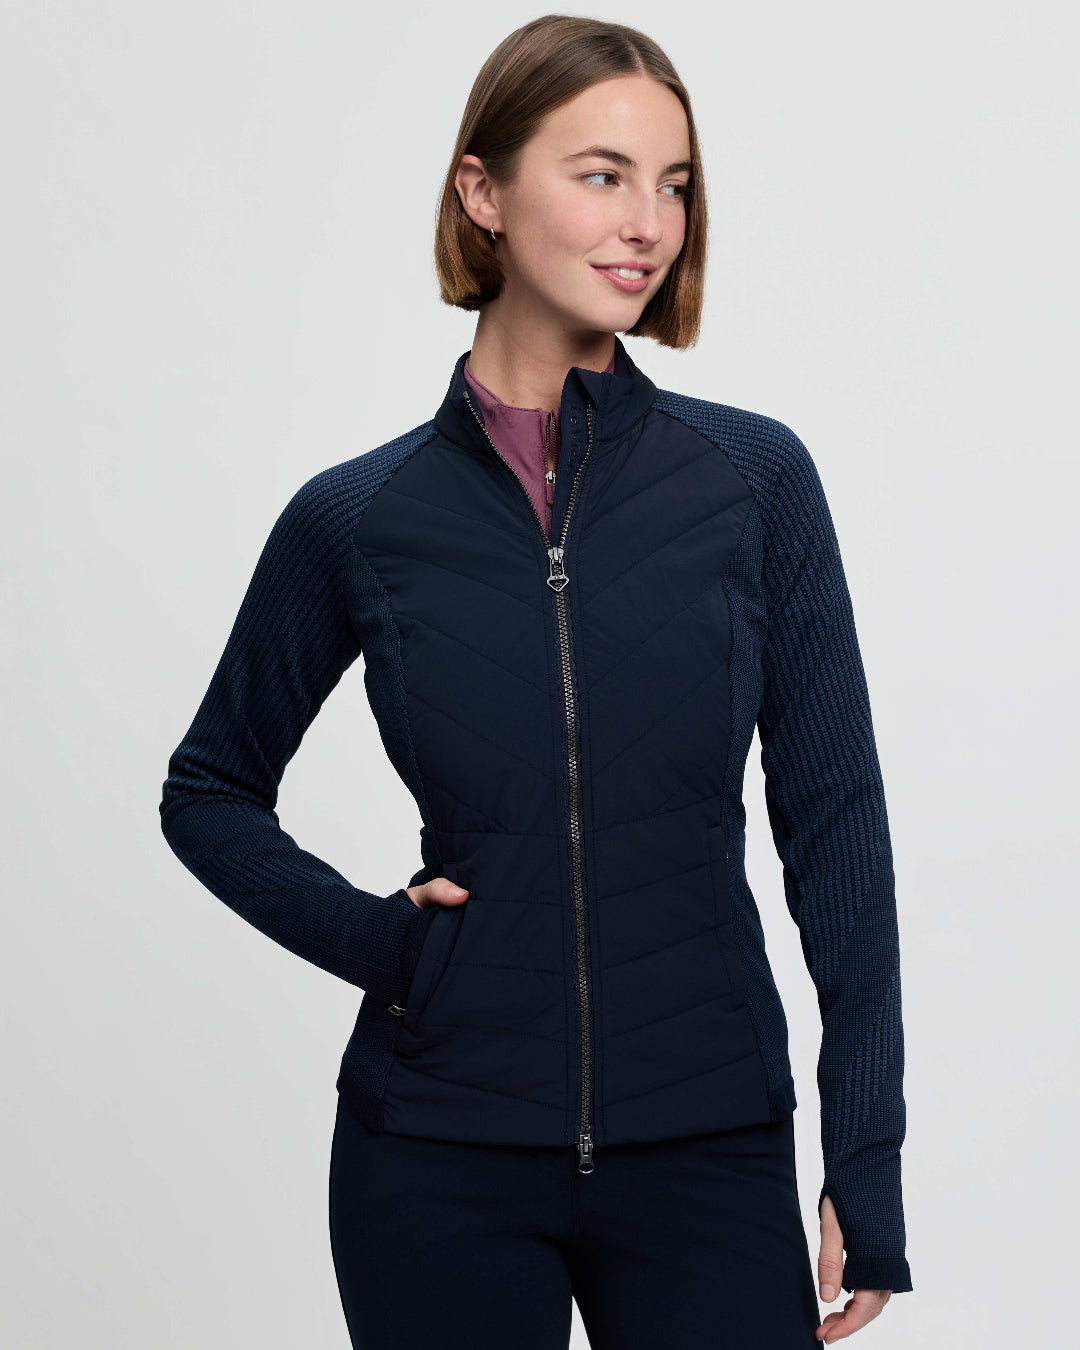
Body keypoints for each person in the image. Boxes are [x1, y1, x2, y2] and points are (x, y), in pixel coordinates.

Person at [158, 15, 913, 1348]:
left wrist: (866, 1146)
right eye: (602, 174)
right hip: (437, 1148)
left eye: (674, 183)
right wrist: (382, 943)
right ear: (484, 192)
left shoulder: (752, 484)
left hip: (706, 1135)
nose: (649, 223)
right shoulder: (361, 517)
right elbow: (209, 790)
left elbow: (835, 820)